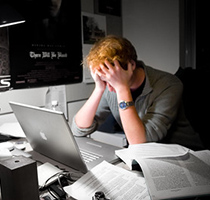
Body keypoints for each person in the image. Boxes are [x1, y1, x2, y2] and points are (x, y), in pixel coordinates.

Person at [72, 35, 203, 150]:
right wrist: (99, 88)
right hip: (145, 156)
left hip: (185, 155)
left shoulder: (169, 84)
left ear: (132, 66)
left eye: (111, 78)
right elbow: (78, 129)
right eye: (104, 78)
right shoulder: (108, 85)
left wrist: (122, 88)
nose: (109, 87)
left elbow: (140, 141)